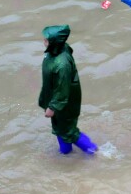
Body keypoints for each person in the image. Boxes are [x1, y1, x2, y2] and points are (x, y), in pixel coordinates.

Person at [38, 24, 98, 155]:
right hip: (58, 98)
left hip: (65, 102)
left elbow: (62, 90)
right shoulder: (56, 50)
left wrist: (52, 107)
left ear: (54, 43)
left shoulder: (62, 64)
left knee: (69, 131)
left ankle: (92, 150)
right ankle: (66, 154)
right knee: (61, 128)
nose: (43, 42)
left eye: (46, 40)